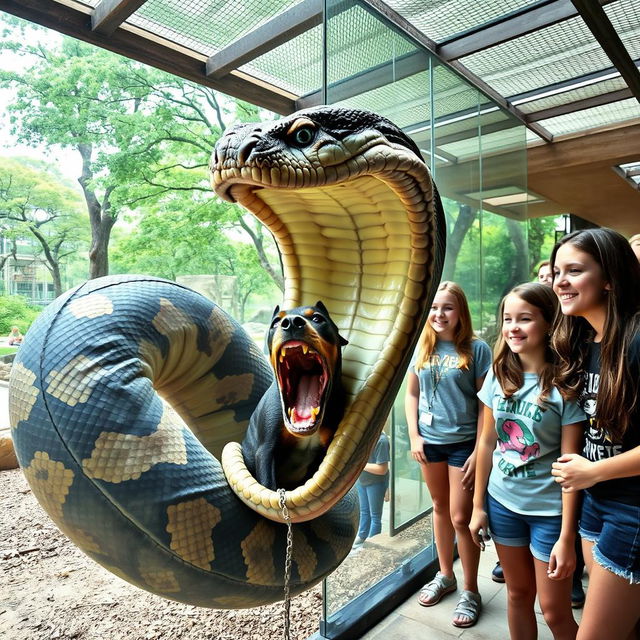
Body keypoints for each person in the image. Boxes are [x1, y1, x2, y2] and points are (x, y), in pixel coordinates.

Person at [470, 282, 585, 640]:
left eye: (525, 319)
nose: (513, 327)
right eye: (507, 319)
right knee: (518, 595)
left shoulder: (566, 383)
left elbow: (571, 465)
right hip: (503, 504)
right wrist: (478, 506)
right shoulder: (498, 374)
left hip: (549, 513)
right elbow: (487, 441)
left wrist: (567, 537)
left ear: (549, 323)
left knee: (553, 611)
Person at [550, 228, 640, 640]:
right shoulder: (586, 340)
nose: (560, 281)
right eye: (557, 272)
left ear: (609, 277)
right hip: (595, 502)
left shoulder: (637, 339)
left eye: (574, 270)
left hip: (631, 509)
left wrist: (594, 472)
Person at [405, 281, 492, 628]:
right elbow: (412, 395)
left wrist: (479, 449)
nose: (439, 314)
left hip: (463, 445)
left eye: (447, 308)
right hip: (429, 442)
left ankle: (471, 589)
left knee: (461, 517)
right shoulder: (421, 347)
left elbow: (488, 404)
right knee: (439, 509)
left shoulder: (477, 349)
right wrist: (414, 436)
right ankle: (446, 575)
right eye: (434, 307)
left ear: (460, 313)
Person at [353, 431, 390, 548]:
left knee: (375, 516)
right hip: (362, 480)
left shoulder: (382, 441)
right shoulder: (363, 436)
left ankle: (373, 544)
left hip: (376, 483)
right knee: (364, 512)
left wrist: (361, 464)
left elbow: (382, 469)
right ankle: (362, 536)